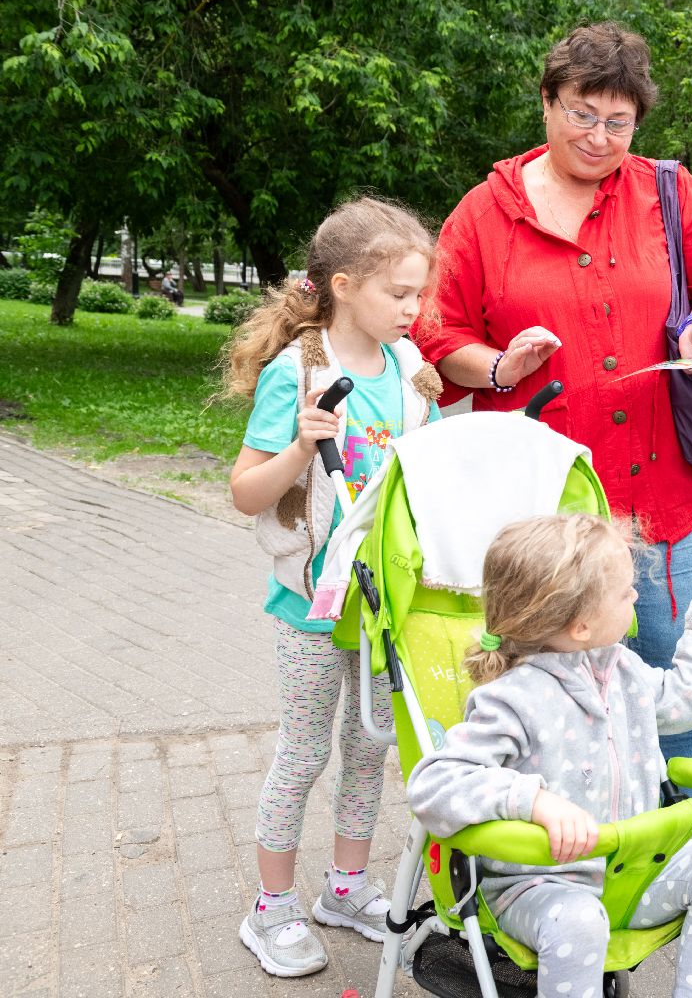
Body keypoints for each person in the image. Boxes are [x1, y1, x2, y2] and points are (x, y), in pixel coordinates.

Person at [418, 22, 692, 765]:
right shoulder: (484, 212)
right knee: (542, 692)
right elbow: (439, 337)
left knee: (673, 685)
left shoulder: (666, 192)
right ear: (547, 103)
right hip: (541, 515)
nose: (600, 137)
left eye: (618, 122)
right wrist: (502, 367)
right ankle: (554, 852)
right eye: (581, 113)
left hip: (662, 503)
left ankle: (669, 853)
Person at [222, 197, 444, 977]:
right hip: (312, 609)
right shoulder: (302, 372)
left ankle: (344, 889)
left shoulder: (411, 376)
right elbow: (246, 491)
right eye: (400, 294)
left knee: (367, 749)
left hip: (386, 606)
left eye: (421, 294)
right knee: (306, 751)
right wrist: (301, 446)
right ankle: (270, 909)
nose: (415, 309)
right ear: (344, 285)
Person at [406, 513, 692, 998]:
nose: (636, 596)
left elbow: (685, 702)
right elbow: (434, 784)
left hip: (629, 877)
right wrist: (534, 801)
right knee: (579, 920)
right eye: (626, 591)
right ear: (582, 624)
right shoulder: (512, 700)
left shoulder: (621, 668)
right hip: (541, 891)